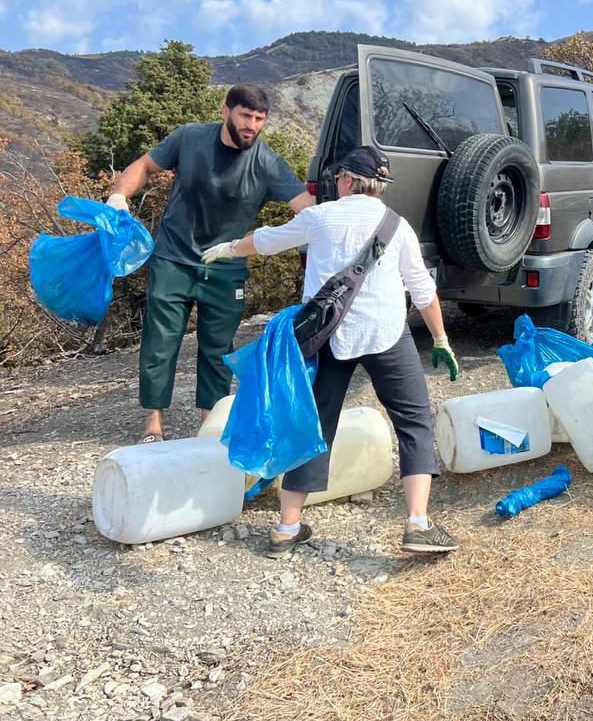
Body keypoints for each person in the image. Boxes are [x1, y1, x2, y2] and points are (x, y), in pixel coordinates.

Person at [202, 145, 460, 557]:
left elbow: (267, 242)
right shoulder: (398, 225)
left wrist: (230, 247)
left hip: (326, 339)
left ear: (345, 179)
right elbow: (423, 290)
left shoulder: (319, 218)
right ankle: (417, 523)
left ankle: (287, 528)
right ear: (378, 185)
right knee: (413, 420)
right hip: (386, 334)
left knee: (314, 425)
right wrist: (442, 339)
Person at [107, 85, 312, 442]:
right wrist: (118, 196)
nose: (252, 125)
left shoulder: (267, 162)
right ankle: (153, 424)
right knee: (160, 341)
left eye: (259, 119)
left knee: (218, 348)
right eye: (245, 116)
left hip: (226, 266)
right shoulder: (190, 138)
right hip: (174, 258)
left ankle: (209, 426)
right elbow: (144, 165)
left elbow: (307, 211)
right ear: (226, 111)